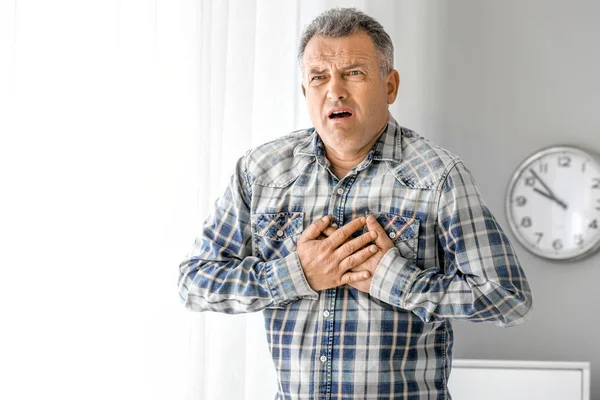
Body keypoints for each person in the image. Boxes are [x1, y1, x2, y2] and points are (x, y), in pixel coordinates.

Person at [178, 7, 532, 400]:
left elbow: (508, 299)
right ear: (305, 91)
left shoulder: (438, 177)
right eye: (319, 77)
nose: (335, 90)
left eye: (354, 73)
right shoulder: (260, 172)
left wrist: (398, 282)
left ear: (390, 85)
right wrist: (298, 274)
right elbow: (195, 283)